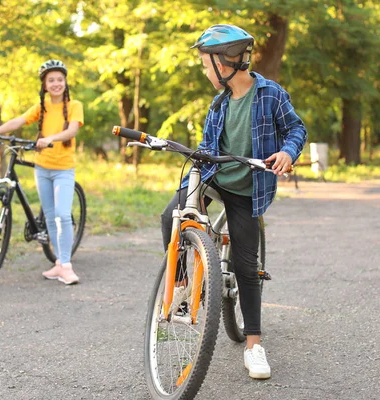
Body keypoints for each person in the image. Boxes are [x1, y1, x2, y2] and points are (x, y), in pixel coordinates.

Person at [160, 24, 307, 379]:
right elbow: (208, 148)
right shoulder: (219, 103)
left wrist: (288, 153)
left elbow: (296, 129)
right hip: (216, 179)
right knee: (171, 215)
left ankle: (254, 345)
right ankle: (182, 285)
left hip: (247, 189)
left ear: (225, 63)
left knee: (245, 265)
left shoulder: (269, 94)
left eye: (205, 64)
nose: (204, 71)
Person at [0, 59, 83, 285]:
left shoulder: (75, 105)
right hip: (42, 168)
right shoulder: (41, 108)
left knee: (63, 215)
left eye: (59, 80)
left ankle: (67, 266)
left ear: (65, 82)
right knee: (50, 216)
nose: (56, 84)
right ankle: (58, 264)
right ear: (44, 84)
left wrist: (50, 139)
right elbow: (19, 121)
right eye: (51, 80)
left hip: (63, 169)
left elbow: (72, 129)